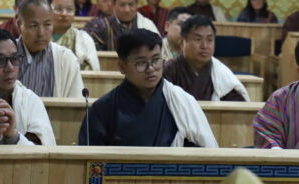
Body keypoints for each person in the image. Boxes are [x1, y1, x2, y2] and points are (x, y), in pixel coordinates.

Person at [79, 29, 217, 147]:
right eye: (141, 63)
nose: (151, 69)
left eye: (156, 60)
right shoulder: (103, 109)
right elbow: (91, 161)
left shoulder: (182, 102)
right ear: (122, 66)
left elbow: (203, 153)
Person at [162, 15, 248, 101]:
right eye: (198, 39)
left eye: (209, 40)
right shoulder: (169, 70)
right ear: (182, 43)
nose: (204, 46)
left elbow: (237, 104)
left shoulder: (221, 72)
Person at [14, 0, 84, 98]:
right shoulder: (7, 56)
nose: (41, 33)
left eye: (47, 24)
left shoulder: (65, 58)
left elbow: (75, 102)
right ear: (19, 25)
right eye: (33, 25)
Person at [83, 0, 160, 51]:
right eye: (122, 5)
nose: (127, 9)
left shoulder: (147, 25)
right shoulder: (99, 25)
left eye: (131, 4)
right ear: (113, 4)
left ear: (137, 3)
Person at [48, 0, 99, 70]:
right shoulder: (39, 37)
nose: (64, 14)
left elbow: (93, 71)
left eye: (69, 9)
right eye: (58, 9)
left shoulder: (84, 39)